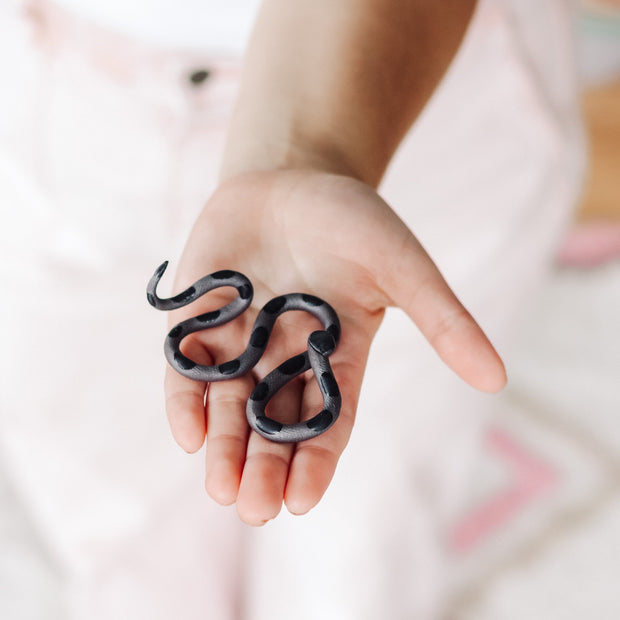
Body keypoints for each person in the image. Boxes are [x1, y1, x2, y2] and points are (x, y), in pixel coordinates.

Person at [0, 0, 585, 618]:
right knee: (123, 537)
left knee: (356, 561)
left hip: (408, 84)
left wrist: (304, 155)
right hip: (44, 86)